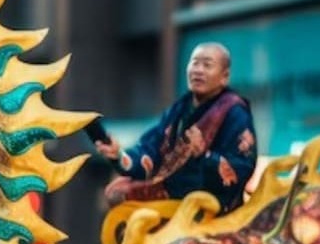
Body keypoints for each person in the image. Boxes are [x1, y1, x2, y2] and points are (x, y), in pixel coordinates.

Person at [95, 42, 257, 213]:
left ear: (225, 76)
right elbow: (150, 148)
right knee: (116, 192)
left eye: (207, 65)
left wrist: (205, 155)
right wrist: (118, 154)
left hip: (208, 204)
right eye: (195, 63)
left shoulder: (234, 111)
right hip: (171, 195)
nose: (198, 70)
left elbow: (242, 166)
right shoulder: (179, 109)